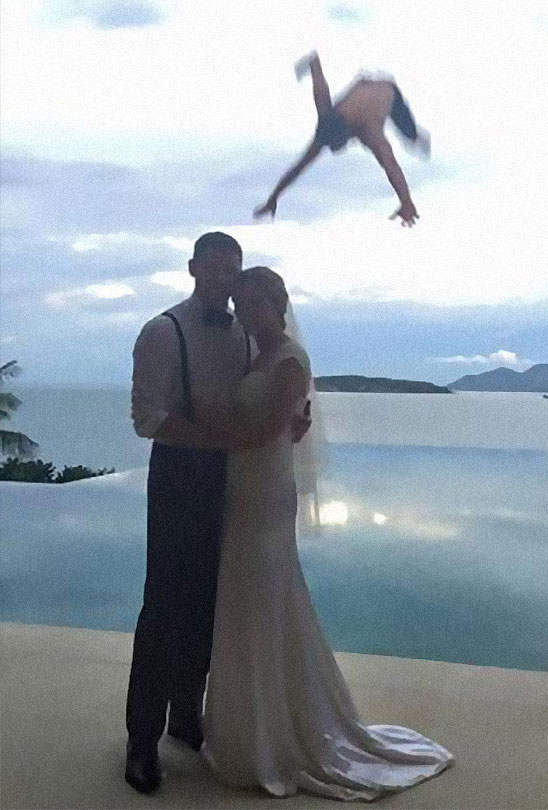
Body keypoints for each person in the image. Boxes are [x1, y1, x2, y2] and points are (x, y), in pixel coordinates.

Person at [202, 266, 454, 801]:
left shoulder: (292, 359)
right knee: (249, 603)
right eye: (240, 304)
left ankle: (277, 739)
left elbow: (262, 430)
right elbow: (267, 424)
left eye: (256, 303)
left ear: (278, 304)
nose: (247, 313)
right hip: (242, 490)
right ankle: (249, 731)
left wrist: (190, 433)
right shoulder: (256, 357)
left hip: (265, 494)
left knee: (264, 602)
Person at [125, 233, 311, 794]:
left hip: (237, 482)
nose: (225, 284)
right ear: (192, 269)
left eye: (232, 274)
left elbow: (273, 396)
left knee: (213, 598)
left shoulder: (249, 335)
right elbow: (148, 419)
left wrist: (285, 425)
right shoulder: (162, 332)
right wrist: (228, 441)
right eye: (214, 272)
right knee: (163, 604)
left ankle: (186, 714)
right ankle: (140, 740)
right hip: (181, 475)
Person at [254, 51, 430, 227]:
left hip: (390, 93)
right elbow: (298, 167)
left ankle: (418, 138)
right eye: (330, 147)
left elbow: (391, 166)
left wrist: (406, 201)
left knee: (410, 136)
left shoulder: (370, 132)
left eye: (335, 146)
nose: (331, 150)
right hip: (366, 84)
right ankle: (414, 138)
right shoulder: (325, 113)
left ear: (349, 134)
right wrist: (273, 197)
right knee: (401, 139)